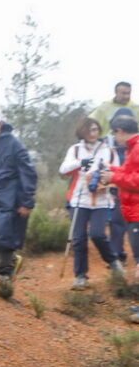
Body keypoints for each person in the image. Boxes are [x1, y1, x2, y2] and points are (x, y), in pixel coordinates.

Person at [59, 117, 124, 288]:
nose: (93, 133)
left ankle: (113, 261)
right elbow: (63, 169)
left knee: (97, 234)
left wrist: (103, 178)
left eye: (96, 129)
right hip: (79, 199)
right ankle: (80, 276)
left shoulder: (109, 150)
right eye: (90, 130)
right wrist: (80, 163)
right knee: (79, 238)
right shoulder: (75, 150)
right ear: (82, 132)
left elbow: (117, 172)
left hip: (101, 200)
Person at [0, 112, 38, 297]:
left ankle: (4, 277)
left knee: (6, 235)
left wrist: (26, 201)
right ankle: (11, 261)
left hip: (9, 198)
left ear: (0, 125)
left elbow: (28, 173)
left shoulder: (14, 144)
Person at [101, 115, 139, 291]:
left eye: (114, 134)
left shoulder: (137, 148)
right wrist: (110, 170)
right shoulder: (132, 148)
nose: (115, 138)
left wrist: (114, 177)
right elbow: (128, 171)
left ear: (120, 131)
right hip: (132, 211)